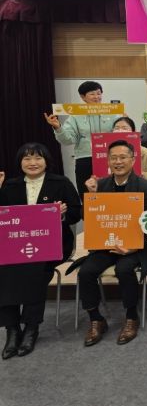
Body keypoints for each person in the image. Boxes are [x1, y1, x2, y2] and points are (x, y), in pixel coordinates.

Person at [73, 140, 147, 347]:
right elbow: (90, 219)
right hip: (108, 244)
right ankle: (96, 319)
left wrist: (133, 247)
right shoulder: (100, 185)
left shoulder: (146, 187)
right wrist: (91, 196)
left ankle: (131, 317)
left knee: (124, 269)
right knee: (85, 272)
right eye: (113, 158)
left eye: (123, 157)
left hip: (138, 246)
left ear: (133, 159)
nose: (118, 162)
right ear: (108, 161)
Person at [0, 143, 81, 359]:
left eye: (38, 158)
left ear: (46, 161)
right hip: (15, 245)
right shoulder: (10, 185)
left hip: (53, 245)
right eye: (27, 158)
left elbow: (76, 213)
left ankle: (31, 327)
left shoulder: (61, 183)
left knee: (36, 268)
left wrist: (62, 214)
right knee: (3, 268)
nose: (32, 163)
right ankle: (12, 329)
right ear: (20, 162)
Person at [43, 80, 119, 196]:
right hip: (85, 159)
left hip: (109, 158)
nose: (97, 97)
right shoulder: (75, 116)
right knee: (87, 195)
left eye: (99, 93)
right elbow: (68, 140)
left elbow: (121, 133)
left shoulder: (112, 113)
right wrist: (58, 127)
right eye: (92, 94)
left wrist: (125, 122)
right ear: (83, 97)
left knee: (111, 192)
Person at [112, 117, 147, 184]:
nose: (120, 131)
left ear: (133, 131)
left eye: (125, 128)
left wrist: (142, 175)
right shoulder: (105, 152)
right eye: (117, 128)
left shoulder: (146, 153)